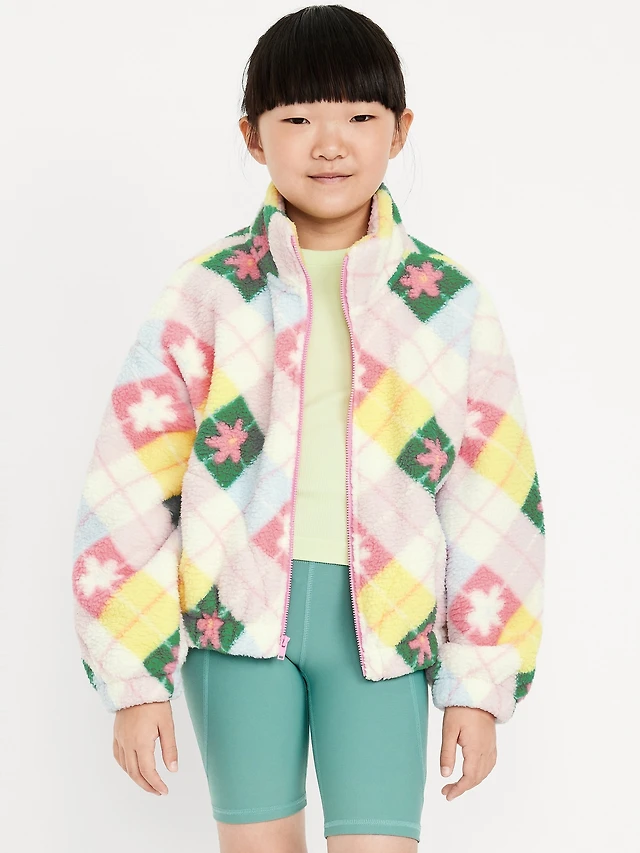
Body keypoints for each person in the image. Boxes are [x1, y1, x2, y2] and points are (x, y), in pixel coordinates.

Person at [71, 5, 546, 852]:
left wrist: (480, 681)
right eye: (297, 120)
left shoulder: (448, 302)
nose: (330, 144)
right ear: (253, 137)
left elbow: (494, 495)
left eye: (359, 117)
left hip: (386, 628)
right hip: (233, 623)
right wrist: (132, 674)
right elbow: (130, 481)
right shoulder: (207, 292)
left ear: (401, 130)